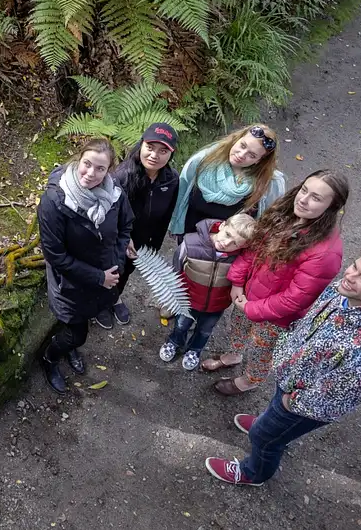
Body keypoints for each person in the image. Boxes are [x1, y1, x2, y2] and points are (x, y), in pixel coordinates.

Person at [205, 246, 361, 486]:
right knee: (272, 420)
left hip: (302, 404)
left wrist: (290, 402)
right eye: (356, 266)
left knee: (264, 438)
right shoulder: (350, 292)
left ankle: (253, 473)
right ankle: (270, 424)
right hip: (292, 378)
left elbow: (331, 399)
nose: (350, 276)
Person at [210, 169, 348, 396]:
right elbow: (254, 248)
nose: (303, 200)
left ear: (332, 207)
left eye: (316, 198)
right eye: (304, 190)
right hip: (248, 295)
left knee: (259, 350)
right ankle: (234, 355)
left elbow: (295, 298)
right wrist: (237, 281)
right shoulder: (284, 213)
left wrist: (251, 308)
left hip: (275, 319)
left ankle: (249, 380)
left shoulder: (326, 253)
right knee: (238, 328)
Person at [38, 138, 134, 394]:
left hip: (101, 278)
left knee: (78, 327)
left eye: (100, 169)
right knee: (76, 333)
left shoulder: (114, 194)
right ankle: (49, 358)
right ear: (78, 160)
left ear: (109, 170)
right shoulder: (55, 201)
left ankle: (69, 347)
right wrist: (99, 277)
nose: (91, 174)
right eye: (87, 164)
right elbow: (55, 255)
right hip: (69, 284)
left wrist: (117, 262)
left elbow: (125, 226)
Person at [93, 123, 180, 329]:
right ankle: (99, 304)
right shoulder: (121, 177)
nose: (154, 155)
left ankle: (115, 298)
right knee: (111, 271)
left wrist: (153, 247)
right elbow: (106, 215)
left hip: (142, 242)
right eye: (150, 147)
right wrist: (123, 240)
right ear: (141, 145)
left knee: (127, 272)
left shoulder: (171, 180)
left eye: (163, 151)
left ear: (171, 154)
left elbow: (165, 217)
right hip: (115, 241)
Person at [159, 213, 256, 371]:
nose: (226, 243)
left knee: (205, 331)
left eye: (235, 243)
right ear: (222, 225)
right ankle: (174, 342)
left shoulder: (241, 258)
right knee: (181, 324)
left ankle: (194, 350)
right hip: (187, 299)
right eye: (227, 235)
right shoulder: (191, 243)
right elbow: (176, 266)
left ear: (244, 246)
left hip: (216, 305)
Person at [168, 125, 285, 240]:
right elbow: (181, 193)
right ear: (236, 139)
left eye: (252, 155)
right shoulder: (203, 160)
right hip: (189, 235)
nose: (241, 155)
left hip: (227, 246)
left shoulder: (267, 183)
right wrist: (175, 224)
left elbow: (268, 219)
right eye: (242, 145)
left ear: (259, 161)